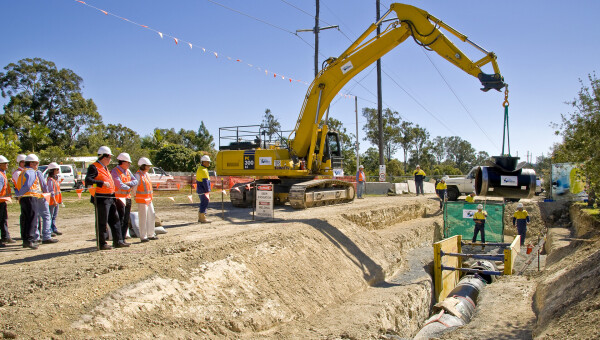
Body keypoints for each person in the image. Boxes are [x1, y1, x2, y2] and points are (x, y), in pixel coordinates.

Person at [85, 146, 129, 250]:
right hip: (101, 198)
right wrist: (101, 183)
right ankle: (102, 243)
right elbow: (88, 180)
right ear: (104, 157)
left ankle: (118, 241)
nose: (110, 160)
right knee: (102, 221)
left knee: (115, 220)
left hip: (110, 197)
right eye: (109, 157)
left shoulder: (105, 168)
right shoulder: (94, 167)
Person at [15, 154, 44, 249]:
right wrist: (20, 193)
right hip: (30, 197)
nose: (37, 166)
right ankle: (30, 240)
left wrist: (19, 194)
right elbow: (28, 185)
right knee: (32, 219)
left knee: (25, 219)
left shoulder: (23, 172)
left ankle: (25, 240)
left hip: (24, 198)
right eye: (36, 163)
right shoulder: (31, 172)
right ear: (31, 163)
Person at [111, 153, 138, 244]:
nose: (129, 164)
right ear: (123, 162)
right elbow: (118, 184)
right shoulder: (115, 171)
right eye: (128, 163)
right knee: (120, 219)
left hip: (127, 198)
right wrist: (128, 186)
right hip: (119, 199)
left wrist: (128, 184)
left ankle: (123, 238)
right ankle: (118, 239)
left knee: (126, 219)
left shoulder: (128, 171)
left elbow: (135, 181)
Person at [134, 157, 157, 242]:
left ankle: (151, 234)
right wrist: (135, 196)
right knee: (143, 218)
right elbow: (134, 188)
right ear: (143, 166)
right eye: (148, 166)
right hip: (142, 200)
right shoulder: (137, 175)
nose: (149, 167)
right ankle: (143, 236)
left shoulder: (146, 175)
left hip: (149, 199)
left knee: (151, 216)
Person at [46, 163, 63, 236]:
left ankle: (54, 229)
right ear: (53, 170)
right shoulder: (50, 180)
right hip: (52, 201)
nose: (58, 171)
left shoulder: (54, 179)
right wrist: (55, 200)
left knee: (54, 216)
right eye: (57, 169)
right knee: (50, 216)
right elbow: (51, 191)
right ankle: (50, 230)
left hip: (56, 200)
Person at [0, 156, 13, 247]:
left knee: (4, 219)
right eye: (5, 163)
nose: (7, 165)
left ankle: (5, 236)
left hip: (2, 201)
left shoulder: (2, 173)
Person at [196, 155, 212, 223]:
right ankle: (202, 218)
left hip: (200, 189)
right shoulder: (204, 170)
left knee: (202, 202)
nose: (209, 163)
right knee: (204, 203)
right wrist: (207, 191)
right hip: (203, 190)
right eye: (208, 162)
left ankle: (200, 217)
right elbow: (205, 182)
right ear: (204, 162)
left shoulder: (200, 168)